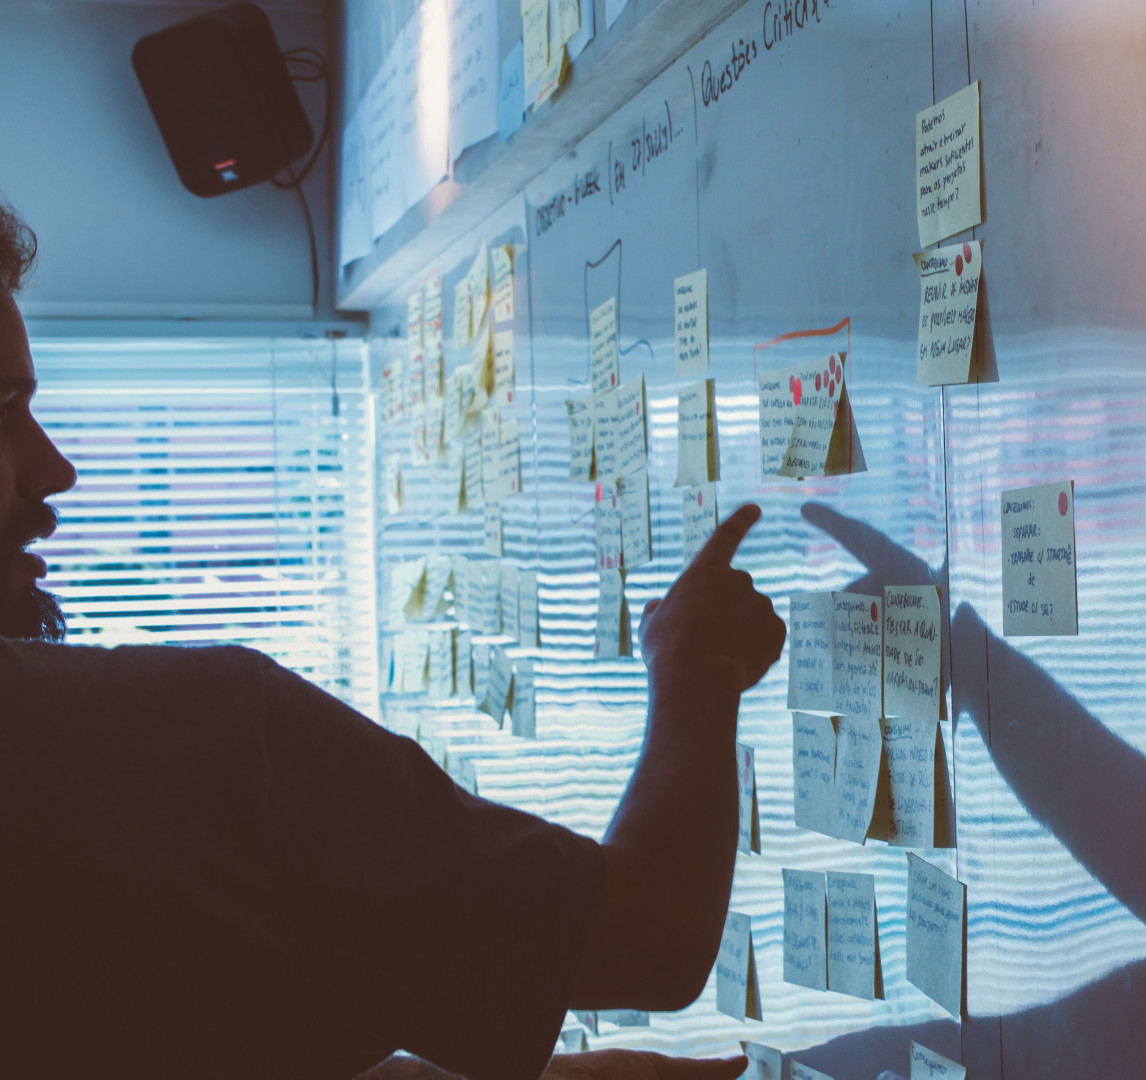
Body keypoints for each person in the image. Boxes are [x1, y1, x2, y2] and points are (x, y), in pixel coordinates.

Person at [0, 198, 781, 1080]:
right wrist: (694, 671)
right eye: (1, 408)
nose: (54, 467)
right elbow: (654, 937)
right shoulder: (190, 746)